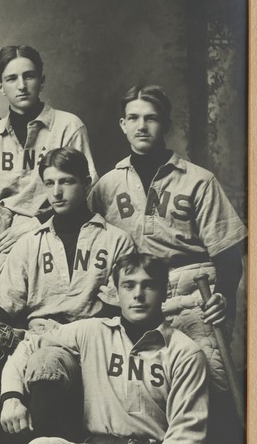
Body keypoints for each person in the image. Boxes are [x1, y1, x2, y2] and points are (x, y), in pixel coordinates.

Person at [7, 253, 242, 444]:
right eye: (129, 286)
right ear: (115, 292)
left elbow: (186, 435)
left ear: (164, 292)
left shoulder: (185, 352)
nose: (138, 295)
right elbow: (29, 345)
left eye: (149, 286)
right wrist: (12, 396)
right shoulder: (91, 332)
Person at [0, 148, 136, 444]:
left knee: (46, 360)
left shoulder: (116, 240)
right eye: (49, 183)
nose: (56, 192)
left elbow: (119, 311)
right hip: (33, 337)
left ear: (86, 183)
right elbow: (0, 304)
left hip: (85, 343)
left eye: (67, 181)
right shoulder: (31, 242)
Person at [88, 84, 246, 385]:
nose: (142, 126)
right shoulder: (107, 186)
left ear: (166, 124)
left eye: (151, 118)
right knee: (130, 383)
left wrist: (221, 296)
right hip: (133, 295)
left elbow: (228, 253)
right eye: (133, 118)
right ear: (123, 125)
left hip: (189, 292)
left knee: (209, 378)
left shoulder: (199, 181)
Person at [0, 45, 96, 310]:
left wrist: (36, 222)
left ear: (42, 80)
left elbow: (86, 193)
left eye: (29, 76)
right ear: (0, 86)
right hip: (2, 239)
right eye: (11, 78)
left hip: (53, 235)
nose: (22, 85)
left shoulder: (68, 126)